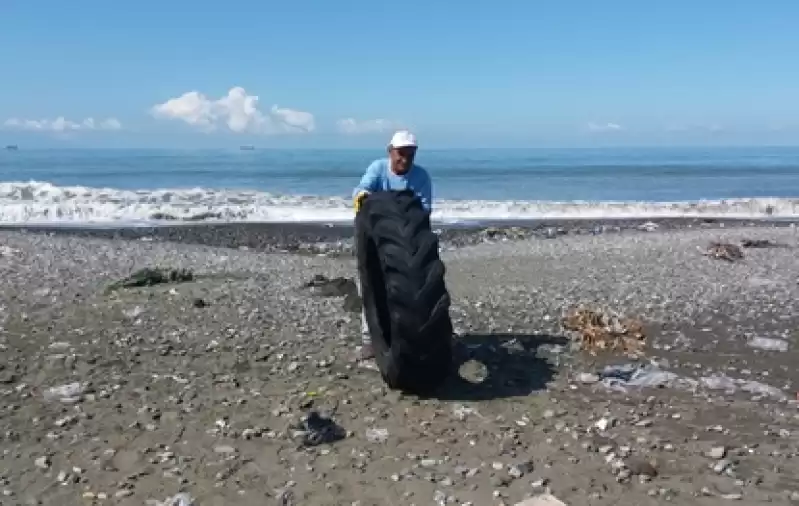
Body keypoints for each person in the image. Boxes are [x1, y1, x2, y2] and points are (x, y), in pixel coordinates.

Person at [352, 130, 433, 360]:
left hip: (408, 242)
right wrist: (365, 200)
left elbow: (424, 210)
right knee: (368, 286)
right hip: (374, 238)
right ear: (390, 151)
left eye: (410, 154)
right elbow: (362, 191)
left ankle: (413, 335)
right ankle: (369, 340)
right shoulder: (378, 169)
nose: (405, 159)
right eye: (400, 153)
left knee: (412, 286)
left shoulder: (421, 177)